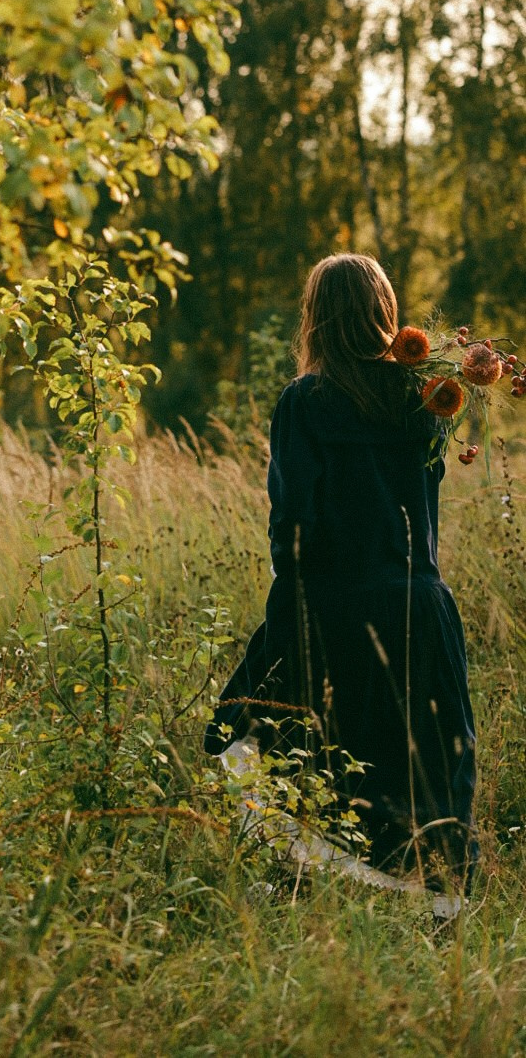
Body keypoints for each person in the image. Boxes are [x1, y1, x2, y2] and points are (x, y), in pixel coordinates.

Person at [205, 253, 478, 894]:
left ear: (317, 320)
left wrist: (288, 620)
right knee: (422, 776)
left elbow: (291, 526)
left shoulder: (308, 402)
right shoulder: (429, 398)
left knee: (242, 738)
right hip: (421, 606)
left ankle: (322, 886)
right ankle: (425, 904)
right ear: (384, 313)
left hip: (337, 603)